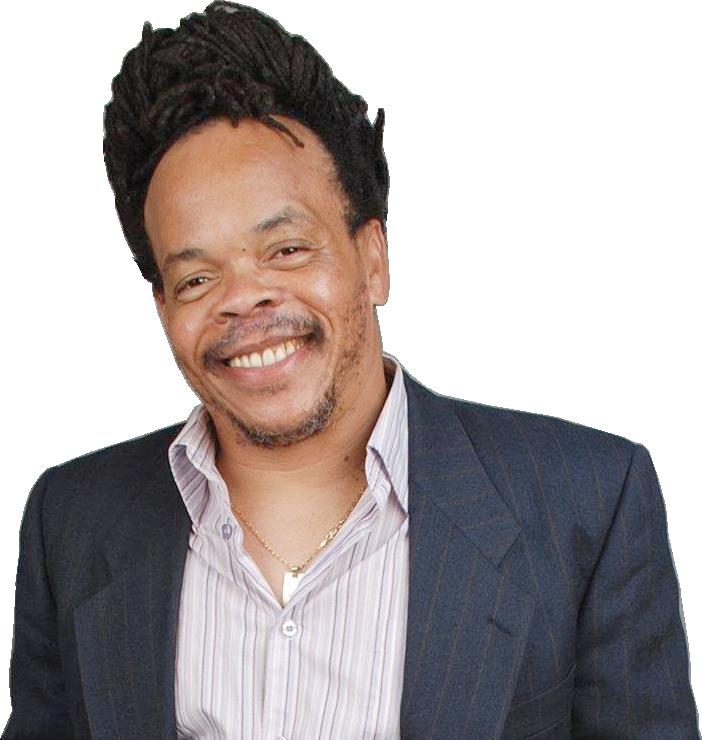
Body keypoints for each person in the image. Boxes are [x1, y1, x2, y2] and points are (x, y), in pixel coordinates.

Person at [2, 2, 699, 738]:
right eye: (197, 278)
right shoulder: (72, 523)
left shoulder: (586, 506)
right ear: (163, 306)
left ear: (372, 259)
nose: (245, 299)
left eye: (286, 250)